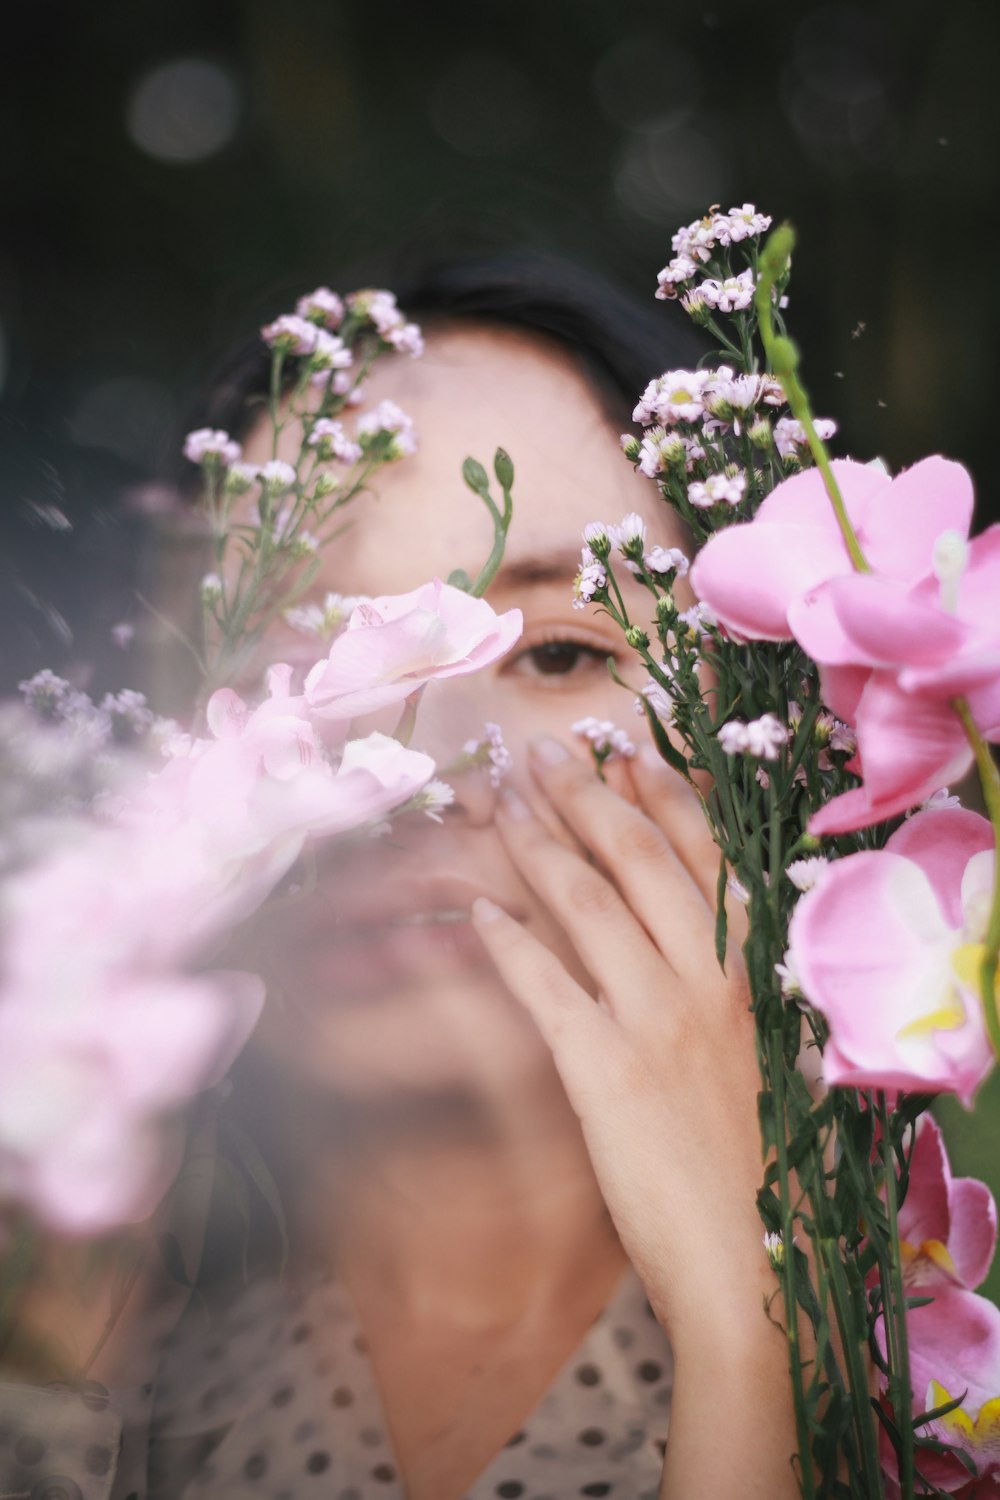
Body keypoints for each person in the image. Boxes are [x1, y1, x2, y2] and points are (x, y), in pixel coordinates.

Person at [7, 260, 803, 1500]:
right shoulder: (79, 1365)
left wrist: (756, 1344)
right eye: (297, 678)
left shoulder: (929, 1380)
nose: (410, 770)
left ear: (761, 736)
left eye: (553, 652)